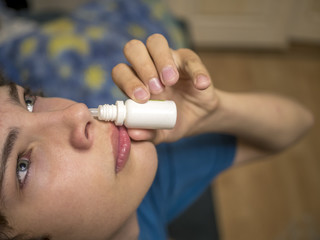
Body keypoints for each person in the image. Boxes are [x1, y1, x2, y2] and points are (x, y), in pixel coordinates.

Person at [0, 34, 314, 240]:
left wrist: (215, 111)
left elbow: (298, 123)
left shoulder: (141, 188)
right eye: (22, 167)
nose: (78, 112)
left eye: (29, 101)